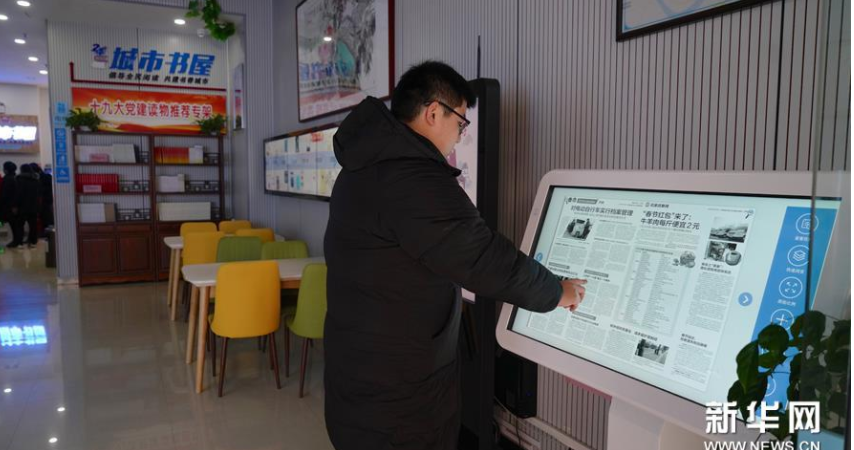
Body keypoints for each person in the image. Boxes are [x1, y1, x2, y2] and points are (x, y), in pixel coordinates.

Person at [323, 61, 587, 450]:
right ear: (433, 113)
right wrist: (557, 291)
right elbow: (484, 259)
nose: (461, 137)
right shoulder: (414, 179)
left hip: (358, 372)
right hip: (397, 399)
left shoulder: (362, 167)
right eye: (461, 123)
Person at [12, 163, 40, 248]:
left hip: (22, 207)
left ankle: (19, 242)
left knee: (19, 225)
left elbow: (18, 194)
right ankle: (33, 242)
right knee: (33, 225)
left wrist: (15, 205)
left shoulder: (18, 180)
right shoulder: (36, 180)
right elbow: (39, 194)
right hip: (33, 206)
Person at [31, 163, 54, 231]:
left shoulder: (36, 178)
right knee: (48, 216)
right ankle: (48, 231)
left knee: (45, 217)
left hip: (42, 201)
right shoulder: (48, 176)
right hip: (48, 200)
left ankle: (46, 231)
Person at [1, 162, 18, 248]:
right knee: (14, 224)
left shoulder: (7, 179)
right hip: (12, 205)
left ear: (6, 170)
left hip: (9, 206)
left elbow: (5, 194)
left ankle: (16, 241)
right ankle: (16, 240)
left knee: (13, 224)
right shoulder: (14, 178)